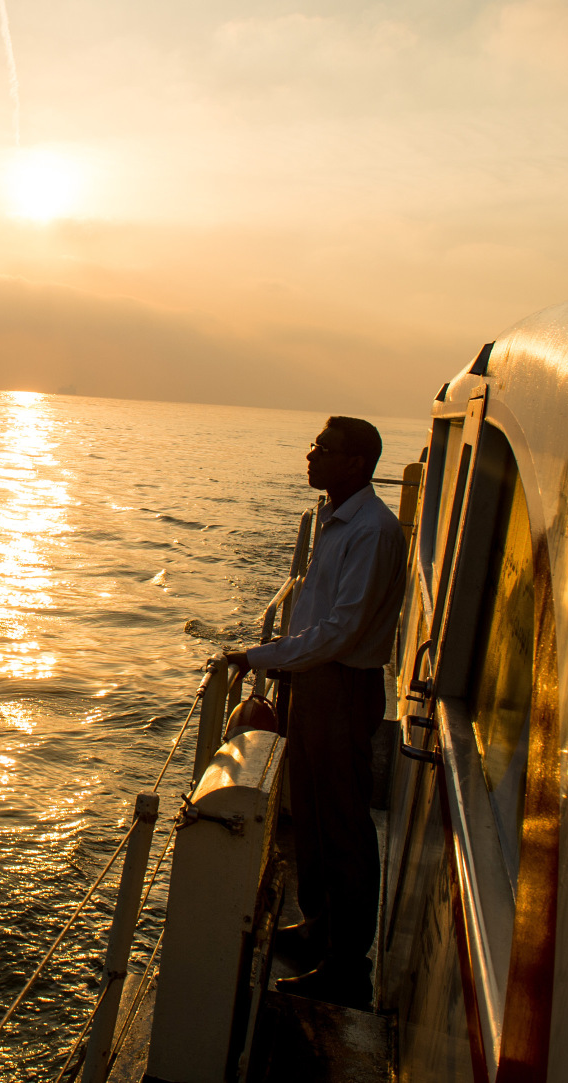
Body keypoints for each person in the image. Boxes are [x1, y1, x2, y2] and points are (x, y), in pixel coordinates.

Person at [226, 415, 405, 1009]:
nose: (311, 455)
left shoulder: (373, 531)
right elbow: (319, 616)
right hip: (315, 685)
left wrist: (260, 655)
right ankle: (319, 927)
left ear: (355, 463)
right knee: (312, 817)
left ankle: (346, 965)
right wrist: (284, 663)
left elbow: (343, 628)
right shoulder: (335, 520)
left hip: (342, 689)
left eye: (323, 449)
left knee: (345, 825)